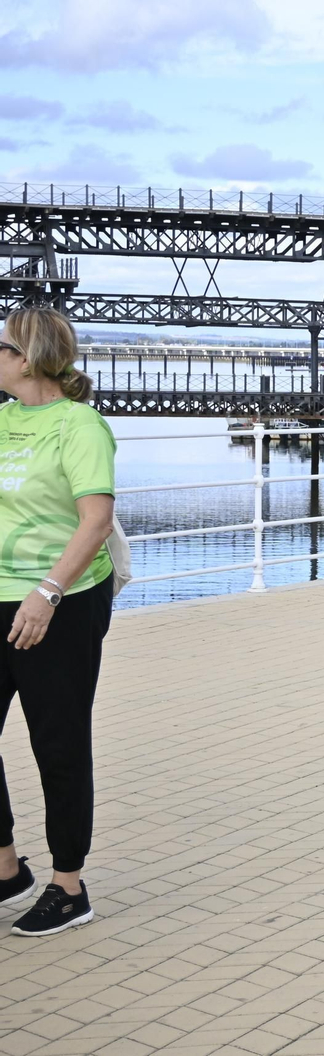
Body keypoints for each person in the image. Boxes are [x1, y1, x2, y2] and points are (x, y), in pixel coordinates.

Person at [0, 309, 117, 937]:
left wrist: (47, 593)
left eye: (0, 345)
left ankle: (69, 886)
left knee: (59, 744)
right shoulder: (2, 420)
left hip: (61, 600)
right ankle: (6, 867)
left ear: (26, 357)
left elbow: (94, 520)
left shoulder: (80, 425)